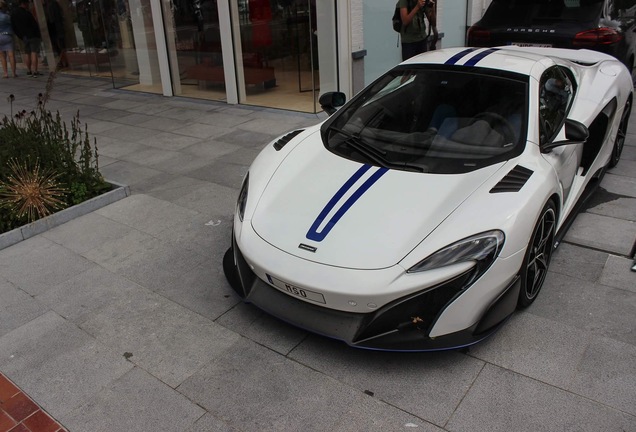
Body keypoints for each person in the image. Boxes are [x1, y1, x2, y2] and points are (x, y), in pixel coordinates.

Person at [11, 0, 41, 77]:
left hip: (24, 37)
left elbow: (14, 27)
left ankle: (29, 70)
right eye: (28, 3)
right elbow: (34, 24)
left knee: (27, 53)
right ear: (24, 3)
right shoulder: (27, 13)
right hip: (33, 35)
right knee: (34, 52)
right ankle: (35, 71)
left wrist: (20, 36)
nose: (28, 5)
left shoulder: (14, 14)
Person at [0, 0, 17, 78]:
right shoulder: (6, 16)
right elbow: (13, 24)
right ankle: (13, 73)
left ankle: (5, 73)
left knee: (2, 56)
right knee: (11, 55)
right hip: (8, 36)